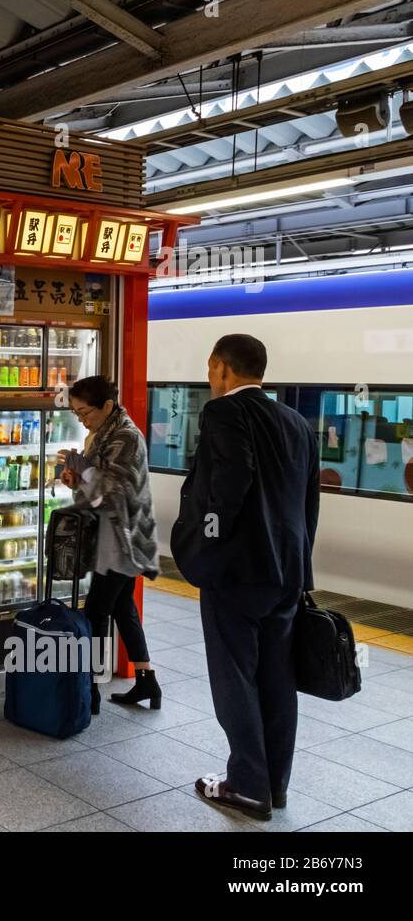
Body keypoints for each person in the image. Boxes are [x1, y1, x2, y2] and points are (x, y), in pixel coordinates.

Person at [171, 334, 319, 822]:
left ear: (219, 368)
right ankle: (275, 785)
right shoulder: (296, 422)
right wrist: (302, 572)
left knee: (234, 676)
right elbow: (307, 506)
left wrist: (208, 545)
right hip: (287, 575)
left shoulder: (223, 413)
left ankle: (247, 786)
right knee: (278, 678)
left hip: (237, 574)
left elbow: (229, 484)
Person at [59, 376, 161, 715]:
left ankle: (90, 689)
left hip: (123, 539)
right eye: (76, 414)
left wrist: (82, 469)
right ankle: (147, 679)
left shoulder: (126, 437)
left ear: (106, 406)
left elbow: (112, 491)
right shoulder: (101, 435)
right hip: (110, 535)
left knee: (96, 612)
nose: (82, 420)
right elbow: (94, 490)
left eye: (85, 412)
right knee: (122, 608)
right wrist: (77, 477)